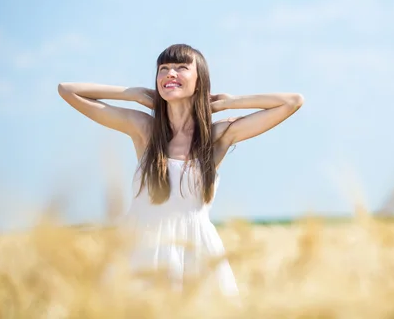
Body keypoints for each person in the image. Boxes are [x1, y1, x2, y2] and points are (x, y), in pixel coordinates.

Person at [57, 43, 303, 296]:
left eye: (181, 68)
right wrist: (135, 94)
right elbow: (68, 90)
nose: (169, 74)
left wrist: (228, 103)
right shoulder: (144, 129)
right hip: (140, 250)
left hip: (196, 252)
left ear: (200, 81)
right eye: (163, 69)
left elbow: (292, 102)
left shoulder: (215, 136)